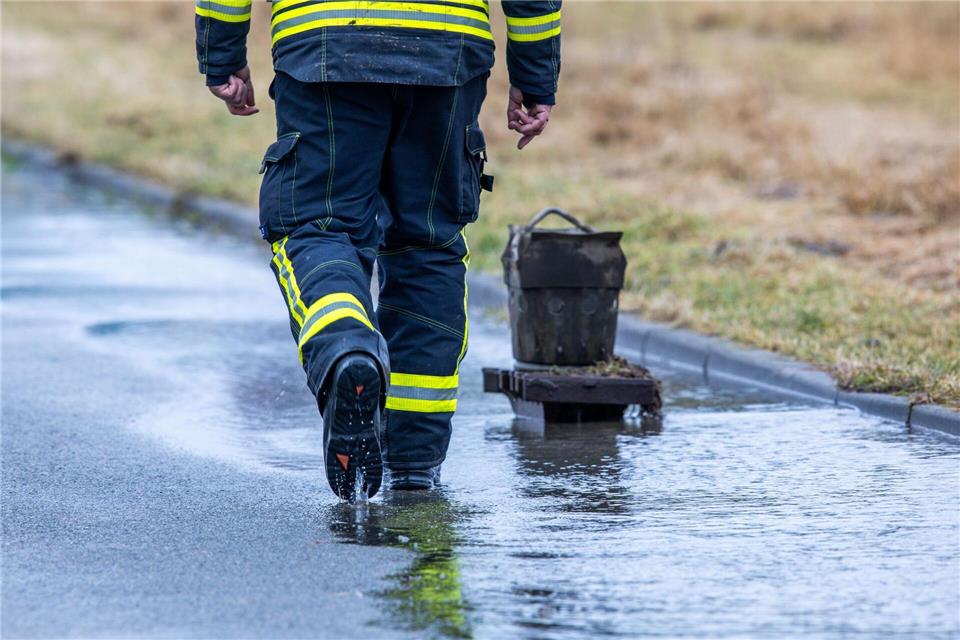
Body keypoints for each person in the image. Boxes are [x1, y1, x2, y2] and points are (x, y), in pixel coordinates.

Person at [195, 0, 561, 500]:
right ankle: (413, 463)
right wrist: (535, 77)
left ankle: (346, 347)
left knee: (317, 227)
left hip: (324, 41)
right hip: (447, 50)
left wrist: (222, 54)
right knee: (427, 246)